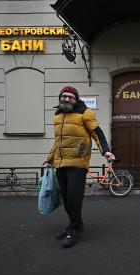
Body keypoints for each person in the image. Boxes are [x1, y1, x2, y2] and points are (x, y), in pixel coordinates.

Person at [43, 86, 115, 248]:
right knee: (67, 200)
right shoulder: (58, 115)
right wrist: (50, 159)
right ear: (60, 98)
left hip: (78, 162)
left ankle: (74, 229)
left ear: (76, 100)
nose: (67, 100)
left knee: (74, 198)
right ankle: (75, 224)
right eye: (64, 97)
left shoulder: (85, 113)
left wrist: (106, 151)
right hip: (60, 163)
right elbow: (58, 141)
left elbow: (97, 133)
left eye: (70, 97)